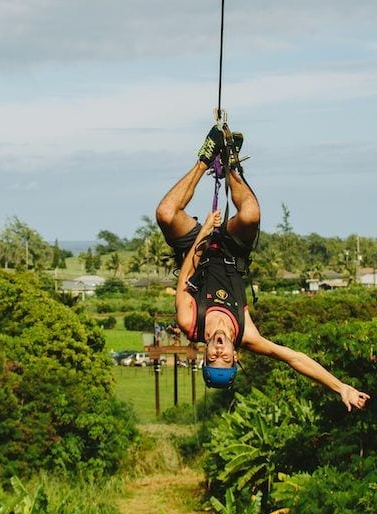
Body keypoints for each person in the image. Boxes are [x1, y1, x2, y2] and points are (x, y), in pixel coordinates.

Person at [155, 125, 370, 412]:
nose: (220, 352)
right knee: (251, 214)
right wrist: (340, 386)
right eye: (226, 358)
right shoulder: (247, 335)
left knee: (165, 214)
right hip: (231, 251)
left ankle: (205, 159)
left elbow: (186, 277)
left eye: (214, 358)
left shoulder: (190, 321)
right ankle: (231, 164)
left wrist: (205, 232)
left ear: (205, 355)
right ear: (235, 355)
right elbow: (294, 358)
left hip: (196, 250)